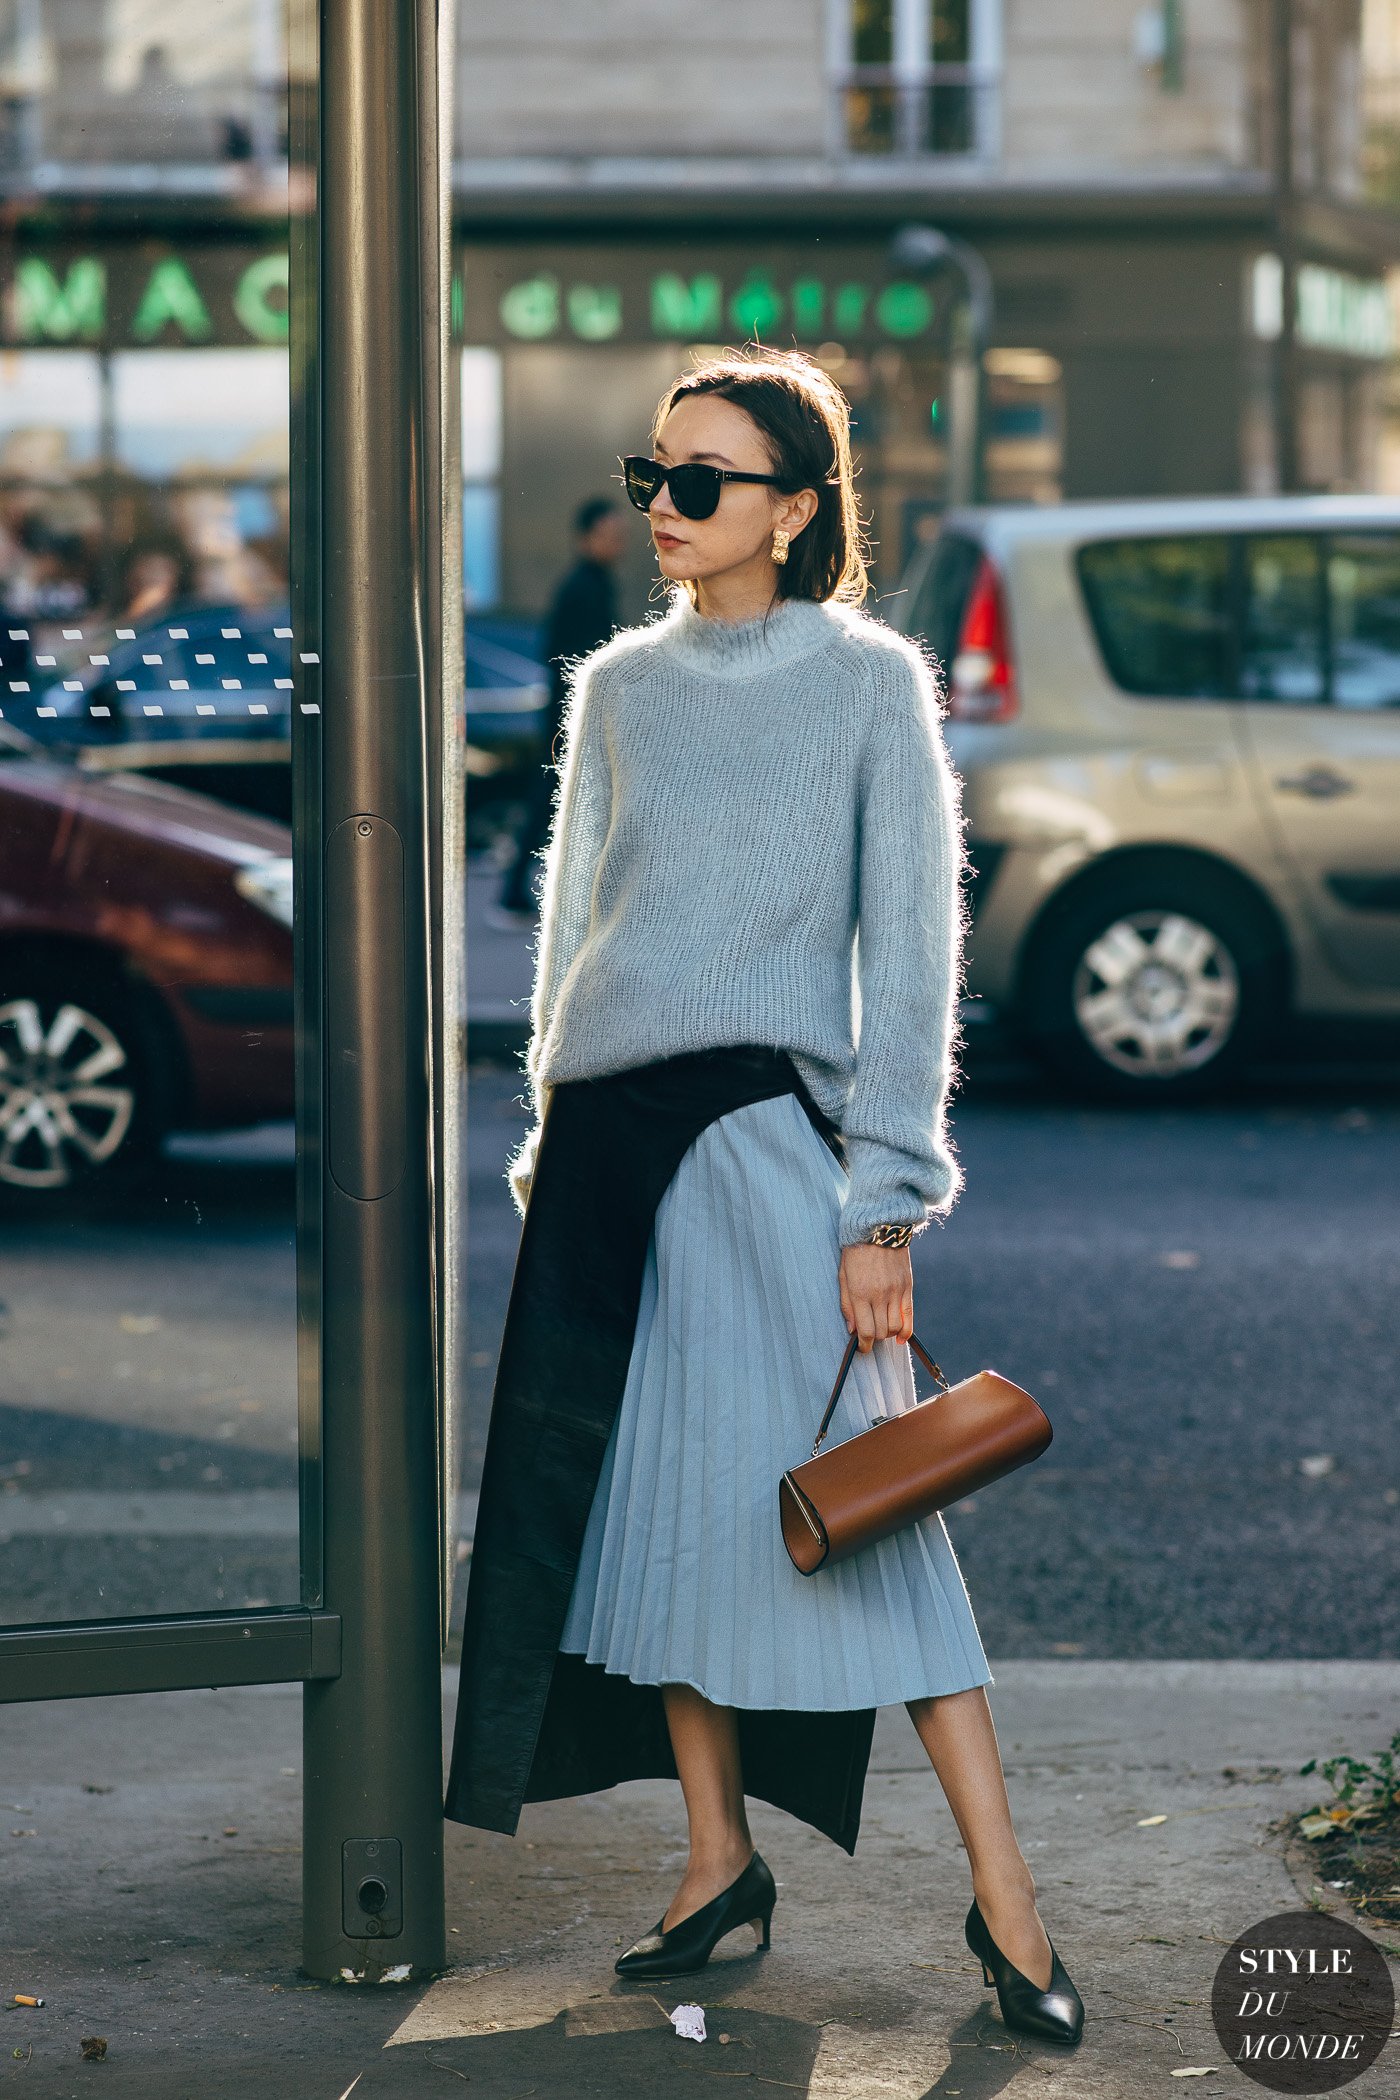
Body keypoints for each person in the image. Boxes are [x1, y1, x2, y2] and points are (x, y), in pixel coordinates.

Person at [446, 349, 1084, 2047]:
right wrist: (545, 1143)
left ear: (796, 510)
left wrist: (885, 1205)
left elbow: (914, 948)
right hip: (607, 1160)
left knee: (874, 1527)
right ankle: (714, 1858)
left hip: (761, 1147)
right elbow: (575, 931)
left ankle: (1010, 1909)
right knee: (654, 1517)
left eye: (704, 482)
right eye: (653, 473)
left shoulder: (866, 683)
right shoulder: (619, 691)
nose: (663, 506)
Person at [488, 495, 626, 928]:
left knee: (557, 802)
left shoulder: (595, 583)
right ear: (585, 538)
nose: (617, 543)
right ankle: (516, 892)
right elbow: (568, 657)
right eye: (609, 535)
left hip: (572, 712)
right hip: (572, 714)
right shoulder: (582, 588)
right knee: (553, 802)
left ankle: (528, 892)